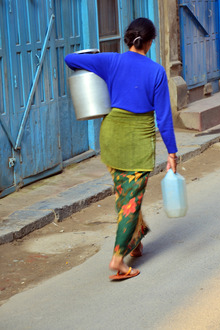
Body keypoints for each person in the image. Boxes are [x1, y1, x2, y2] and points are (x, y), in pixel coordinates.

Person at [64, 17, 177, 281]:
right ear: (149, 42)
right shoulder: (156, 71)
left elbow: (71, 60)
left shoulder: (111, 60)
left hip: (111, 135)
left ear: (129, 39)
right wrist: (172, 153)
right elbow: (163, 119)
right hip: (137, 140)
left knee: (124, 194)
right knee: (130, 201)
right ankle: (118, 260)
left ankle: (135, 242)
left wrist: (95, 57)